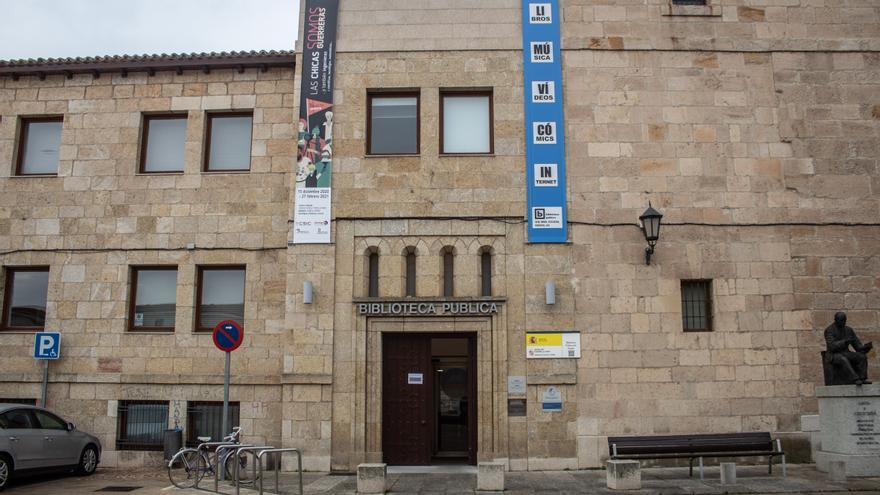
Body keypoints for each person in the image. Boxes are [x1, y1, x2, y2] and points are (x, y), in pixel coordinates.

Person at [824, 312, 873, 385]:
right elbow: (831, 346)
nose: (843, 322)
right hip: (833, 354)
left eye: (844, 320)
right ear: (835, 320)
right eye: (841, 320)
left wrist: (865, 347)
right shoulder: (829, 330)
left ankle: (862, 378)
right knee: (843, 359)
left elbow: (857, 346)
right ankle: (855, 379)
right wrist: (844, 342)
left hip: (846, 353)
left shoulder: (849, 330)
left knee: (862, 357)